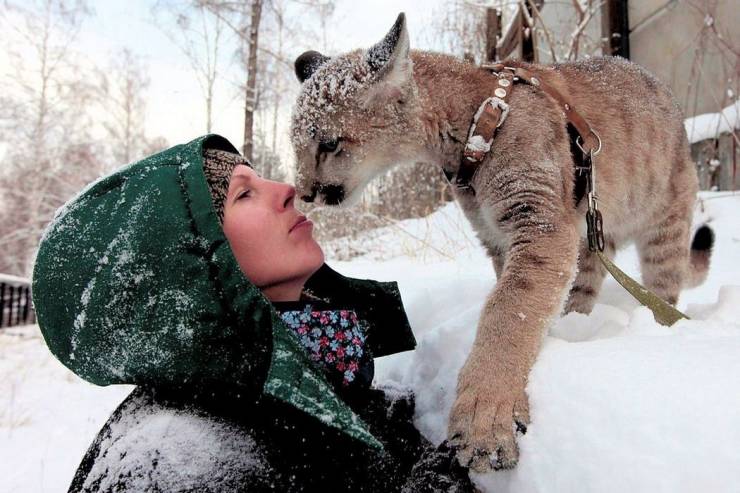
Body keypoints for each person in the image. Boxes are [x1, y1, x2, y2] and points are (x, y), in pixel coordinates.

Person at [32, 135, 475, 492]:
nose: (285, 190)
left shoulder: (313, 362)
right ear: (185, 271)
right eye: (243, 194)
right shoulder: (180, 468)